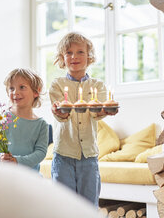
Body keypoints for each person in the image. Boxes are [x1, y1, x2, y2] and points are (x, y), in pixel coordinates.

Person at [49, 32, 118, 206]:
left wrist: (106, 110)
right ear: (62, 58)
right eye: (69, 52)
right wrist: (61, 113)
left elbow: (97, 112)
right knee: (64, 206)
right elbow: (61, 115)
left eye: (80, 52)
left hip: (89, 156)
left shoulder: (98, 86)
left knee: (89, 206)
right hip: (63, 154)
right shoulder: (57, 85)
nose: (74, 56)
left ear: (89, 57)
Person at [0, 68, 49, 172]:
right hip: (5, 176)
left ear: (36, 92)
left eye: (22, 87)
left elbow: (40, 153)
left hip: (30, 178)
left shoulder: (41, 125)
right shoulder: (2, 119)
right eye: (11, 88)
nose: (16, 92)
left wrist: (17, 161)